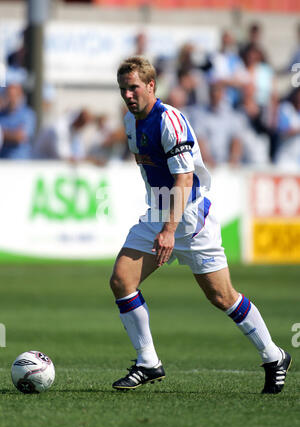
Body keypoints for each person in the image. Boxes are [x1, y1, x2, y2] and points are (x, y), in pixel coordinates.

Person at [110, 55, 291, 394]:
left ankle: (273, 355)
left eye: (133, 87)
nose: (128, 95)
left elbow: (184, 178)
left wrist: (168, 229)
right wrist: (158, 219)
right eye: (123, 89)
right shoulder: (130, 123)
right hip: (158, 214)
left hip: (190, 218)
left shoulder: (170, 121)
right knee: (122, 279)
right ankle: (148, 361)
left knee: (222, 297)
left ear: (151, 86)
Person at [0, 78, 36, 159]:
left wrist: (3, 133)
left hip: (20, 165)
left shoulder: (28, 114)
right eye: (8, 95)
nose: (11, 98)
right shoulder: (1, 114)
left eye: (14, 95)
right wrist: (11, 134)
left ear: (20, 95)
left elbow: (20, 137)